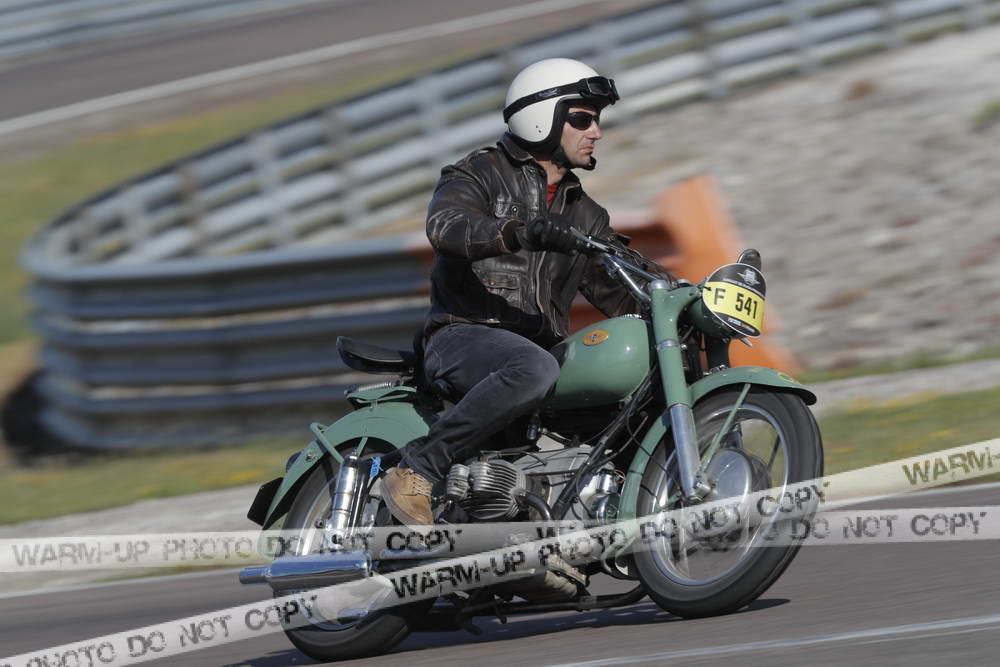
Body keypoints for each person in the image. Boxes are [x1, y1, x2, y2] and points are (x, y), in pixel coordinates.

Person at [382, 58, 641, 525]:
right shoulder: (479, 173)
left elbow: (624, 284)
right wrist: (521, 232)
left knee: (630, 406)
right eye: (582, 119)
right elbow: (447, 228)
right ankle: (417, 467)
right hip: (464, 334)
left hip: (539, 353)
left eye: (597, 120)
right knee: (533, 366)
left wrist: (690, 296)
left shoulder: (585, 214)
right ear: (542, 118)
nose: (597, 131)